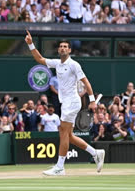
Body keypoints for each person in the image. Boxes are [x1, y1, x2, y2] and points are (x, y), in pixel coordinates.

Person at [25, 30, 105, 176]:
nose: (62, 48)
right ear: (58, 49)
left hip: (72, 103)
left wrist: (92, 100)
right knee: (69, 136)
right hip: (65, 103)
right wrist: (31, 44)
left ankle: (60, 167)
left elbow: (85, 82)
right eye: (60, 46)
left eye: (65, 46)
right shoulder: (57, 64)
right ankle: (96, 153)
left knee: (63, 132)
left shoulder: (74, 64)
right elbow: (40, 59)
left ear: (69, 50)